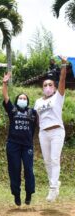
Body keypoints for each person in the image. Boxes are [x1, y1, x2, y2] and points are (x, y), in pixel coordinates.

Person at [34, 55, 68, 202]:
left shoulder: (58, 97)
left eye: (50, 85)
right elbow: (37, 119)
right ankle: (55, 183)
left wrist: (64, 65)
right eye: (45, 85)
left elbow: (62, 80)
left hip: (57, 132)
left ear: (54, 88)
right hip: (43, 133)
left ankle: (53, 189)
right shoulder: (37, 102)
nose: (47, 87)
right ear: (42, 88)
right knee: (47, 161)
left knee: (54, 159)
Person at [2, 72, 37, 206]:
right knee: (14, 169)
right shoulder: (13, 110)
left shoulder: (32, 112)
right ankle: (16, 194)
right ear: (17, 100)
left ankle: (29, 193)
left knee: (28, 169)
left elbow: (38, 125)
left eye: (25, 98)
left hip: (27, 145)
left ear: (27, 101)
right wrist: (5, 83)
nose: (22, 99)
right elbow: (5, 97)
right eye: (20, 98)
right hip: (13, 145)